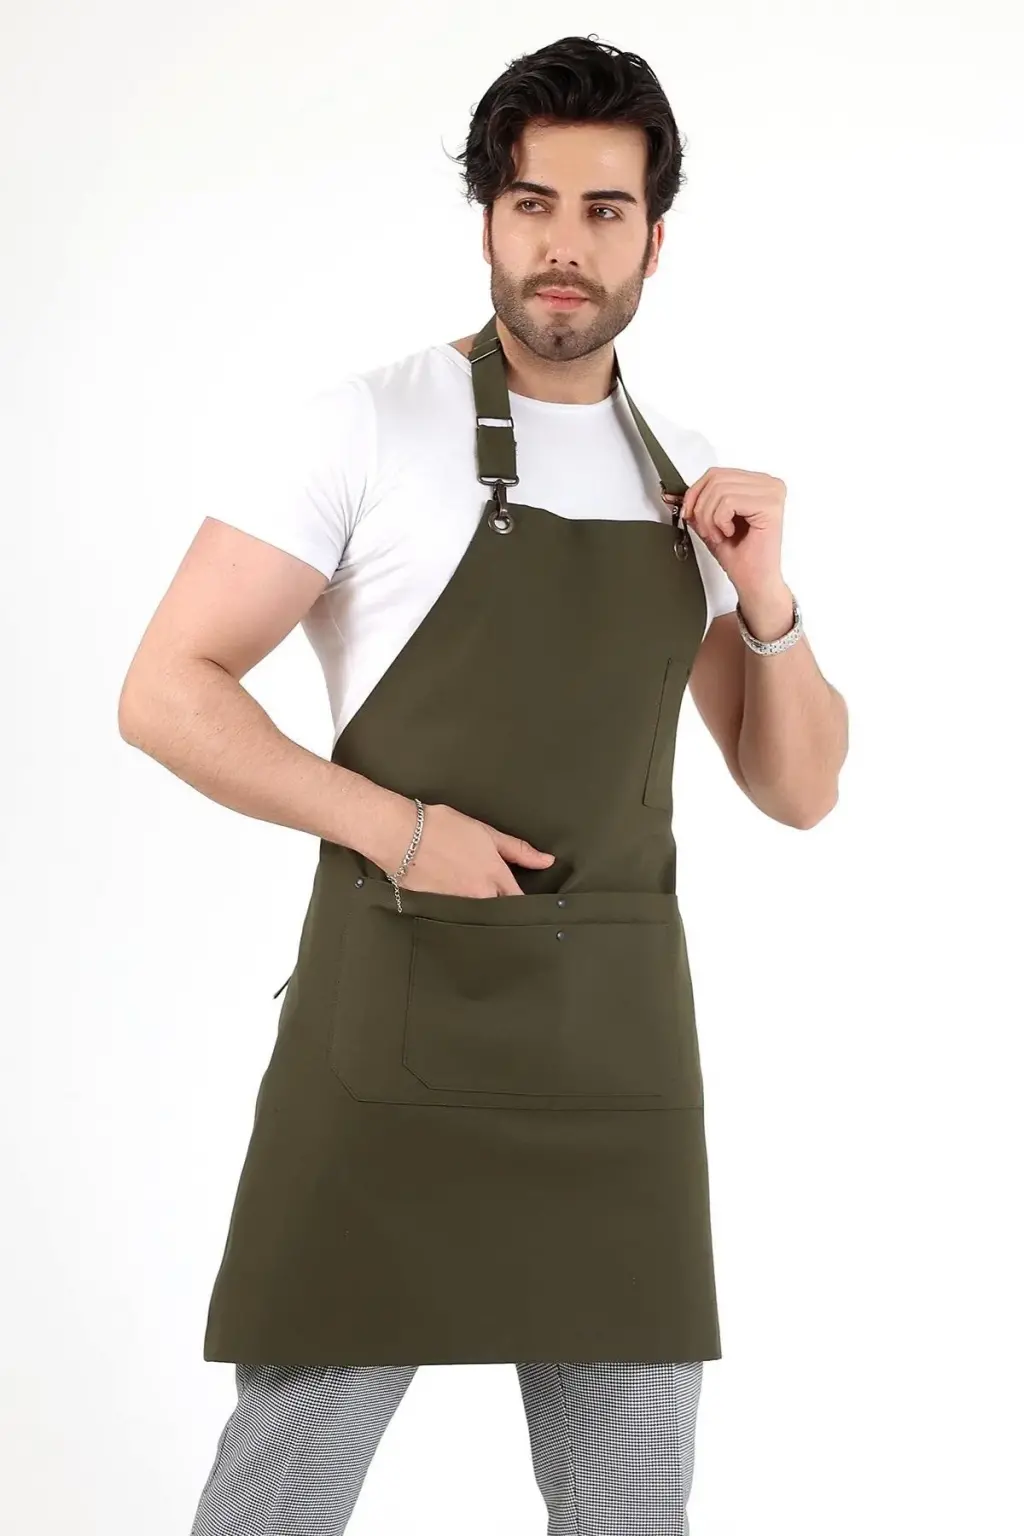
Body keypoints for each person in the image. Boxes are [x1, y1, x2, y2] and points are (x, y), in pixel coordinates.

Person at [118, 32, 848, 1536]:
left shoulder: (689, 474)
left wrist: (770, 599)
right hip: (392, 1033)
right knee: (281, 1496)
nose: (564, 246)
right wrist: (396, 828)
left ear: (654, 238)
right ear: (489, 222)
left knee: (631, 1511)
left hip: (613, 1065)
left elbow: (799, 789)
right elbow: (166, 689)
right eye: (532, 205)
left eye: (603, 210)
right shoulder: (365, 425)